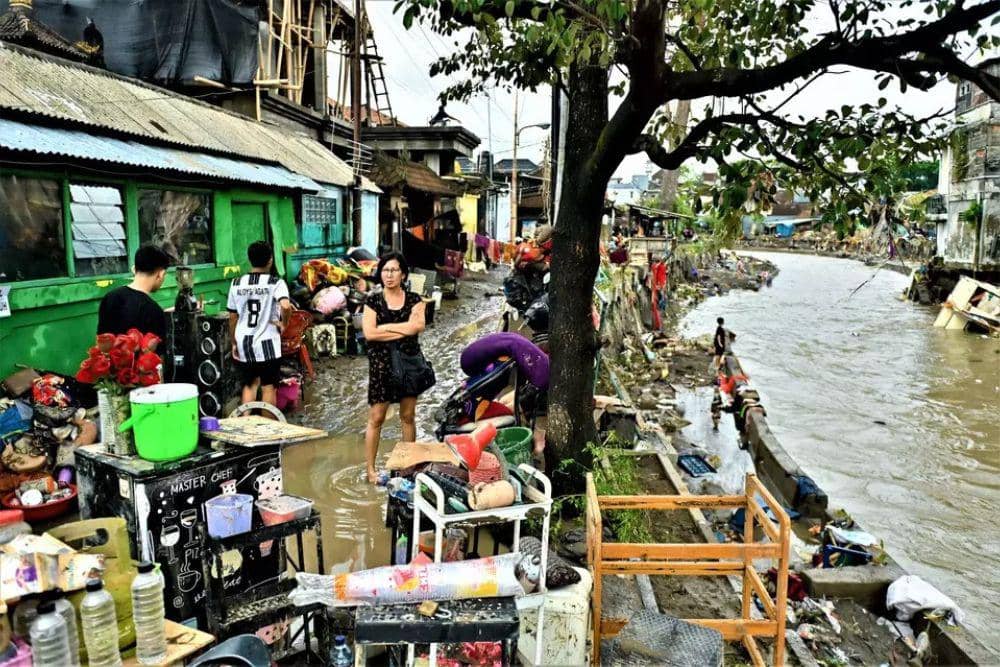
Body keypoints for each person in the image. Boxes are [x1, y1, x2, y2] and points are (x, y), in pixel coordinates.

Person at [362, 252, 427, 483]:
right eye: (385, 270)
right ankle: (370, 470)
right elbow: (369, 333)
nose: (389, 275)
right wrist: (401, 327)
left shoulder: (414, 300)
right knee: (376, 417)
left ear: (403, 274)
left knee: (408, 416)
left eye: (394, 270)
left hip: (409, 364)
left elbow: (417, 326)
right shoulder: (372, 301)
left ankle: (409, 466)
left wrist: (385, 329)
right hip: (381, 366)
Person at [227, 241, 291, 413]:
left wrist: (234, 341)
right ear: (270, 260)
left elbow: (232, 317)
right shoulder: (275, 283)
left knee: (249, 385)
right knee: (269, 387)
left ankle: (247, 428)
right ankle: (268, 434)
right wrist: (284, 323)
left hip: (244, 342)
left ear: (250, 260)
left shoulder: (236, 283)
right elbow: (285, 306)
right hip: (268, 342)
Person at [97, 245, 169, 341]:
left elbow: (101, 342)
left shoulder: (110, 297)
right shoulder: (154, 311)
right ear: (161, 274)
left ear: (134, 269)